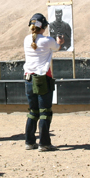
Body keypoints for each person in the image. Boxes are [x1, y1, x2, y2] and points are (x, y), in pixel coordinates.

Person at [23, 13, 64, 151]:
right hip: (42, 79)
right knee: (45, 112)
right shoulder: (47, 40)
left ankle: (29, 142)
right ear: (43, 26)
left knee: (33, 112)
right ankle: (44, 143)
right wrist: (59, 41)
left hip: (28, 78)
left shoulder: (26, 39)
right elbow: (57, 47)